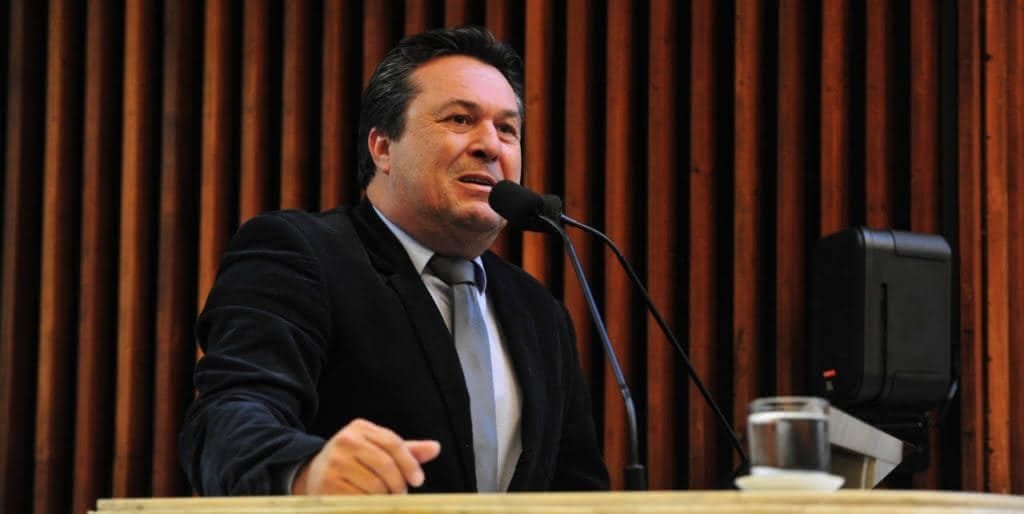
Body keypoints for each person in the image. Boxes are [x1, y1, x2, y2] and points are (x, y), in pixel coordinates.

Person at [179, 25, 609, 496]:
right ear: (383, 147)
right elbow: (228, 417)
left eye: (507, 129)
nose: (490, 145)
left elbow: (578, 488)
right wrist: (303, 472)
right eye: (460, 119)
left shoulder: (539, 312)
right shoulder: (299, 254)